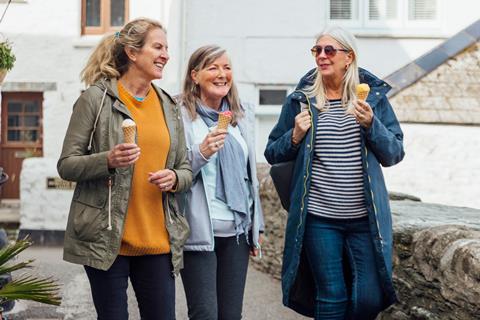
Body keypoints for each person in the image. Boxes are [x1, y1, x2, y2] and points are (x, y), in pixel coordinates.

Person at [265, 26, 404, 319]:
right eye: (317, 50)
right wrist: (294, 135)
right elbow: (272, 152)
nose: (322, 56)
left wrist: (371, 126)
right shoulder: (301, 100)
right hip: (319, 219)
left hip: (364, 221)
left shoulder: (372, 101)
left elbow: (394, 153)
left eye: (330, 50)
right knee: (331, 296)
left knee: (369, 297)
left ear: (348, 57)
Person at [57, 18, 192, 320]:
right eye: (157, 47)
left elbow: (185, 168)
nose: (166, 55)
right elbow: (66, 164)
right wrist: (107, 160)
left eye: (167, 48)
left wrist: (174, 178)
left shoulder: (169, 105)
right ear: (132, 52)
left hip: (158, 241)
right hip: (106, 241)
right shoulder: (96, 99)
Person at [177, 45, 264, 320]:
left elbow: (250, 177)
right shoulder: (179, 115)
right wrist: (201, 153)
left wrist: (256, 225)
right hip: (199, 231)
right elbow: (174, 171)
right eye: (212, 67)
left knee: (231, 315)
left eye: (226, 68)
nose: (222, 74)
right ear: (195, 75)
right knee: (204, 314)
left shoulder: (241, 116)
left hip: (237, 232)